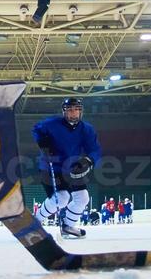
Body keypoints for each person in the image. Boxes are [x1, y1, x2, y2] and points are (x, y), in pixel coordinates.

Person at [32, 97, 102, 239]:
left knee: (82, 198)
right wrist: (42, 141)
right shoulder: (51, 124)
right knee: (62, 198)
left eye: (76, 109)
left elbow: (94, 149)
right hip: (50, 166)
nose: (73, 112)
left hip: (71, 167)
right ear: (64, 111)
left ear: (81, 111)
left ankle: (68, 226)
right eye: (69, 110)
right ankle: (35, 223)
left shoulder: (86, 129)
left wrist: (88, 161)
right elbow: (36, 129)